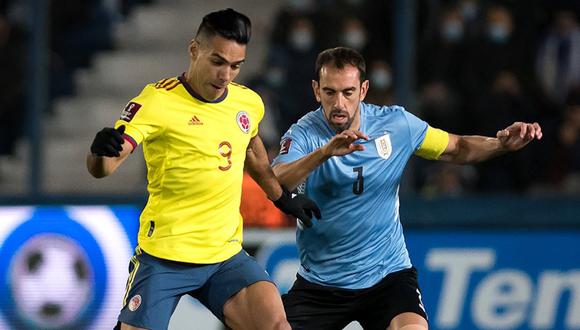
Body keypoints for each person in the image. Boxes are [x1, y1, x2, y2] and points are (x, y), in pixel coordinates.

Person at [271, 47, 542, 330]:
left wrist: (500, 144)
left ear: (363, 89)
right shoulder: (302, 133)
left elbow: (457, 147)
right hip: (321, 284)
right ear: (316, 90)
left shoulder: (397, 125)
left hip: (387, 276)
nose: (339, 103)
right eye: (330, 92)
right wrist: (324, 153)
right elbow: (278, 180)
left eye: (348, 92)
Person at [86, 9, 320, 330]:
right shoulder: (157, 101)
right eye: (218, 61)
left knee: (277, 325)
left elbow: (253, 154)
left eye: (236, 66)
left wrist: (282, 197)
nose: (226, 75)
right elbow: (105, 166)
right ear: (194, 50)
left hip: (224, 256)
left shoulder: (247, 103)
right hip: (164, 256)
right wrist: (99, 152)